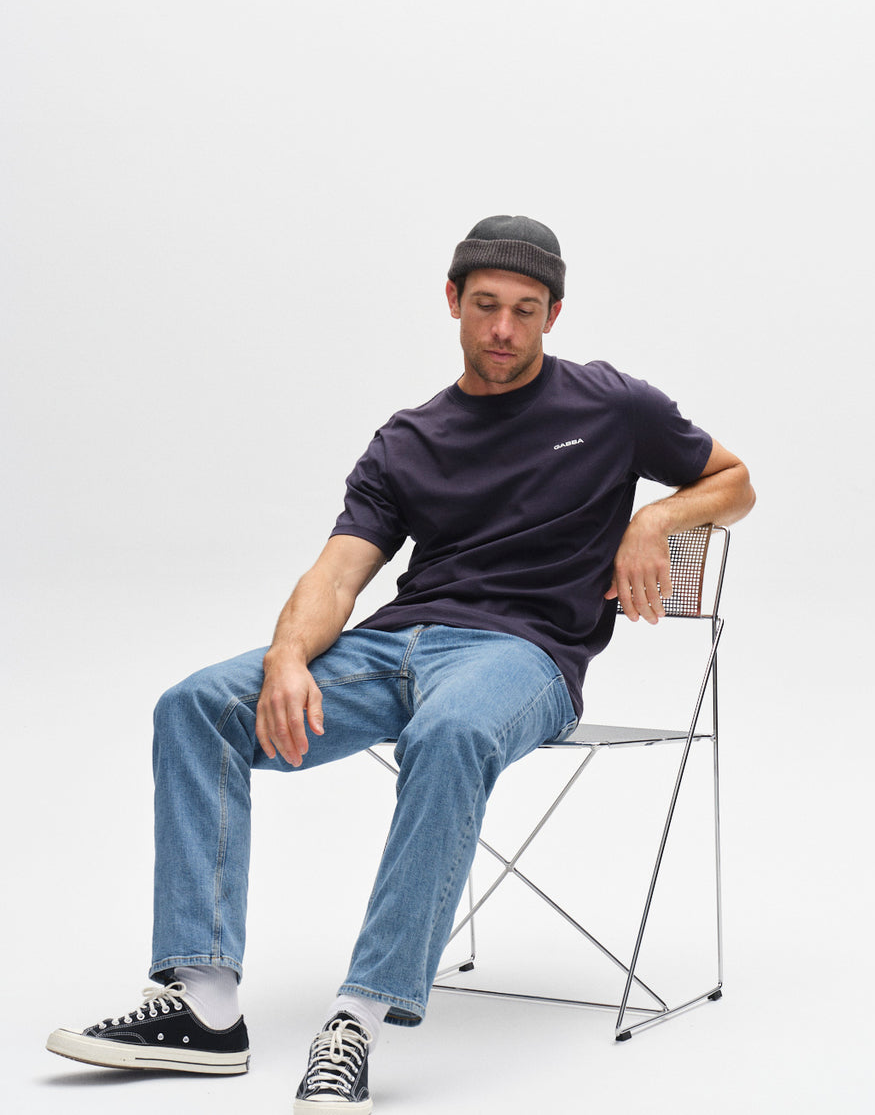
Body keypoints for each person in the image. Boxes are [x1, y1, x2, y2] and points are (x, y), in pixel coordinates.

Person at [46, 216, 755, 1113]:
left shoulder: (612, 405)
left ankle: (358, 1017)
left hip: (525, 655)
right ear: (454, 302)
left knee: (452, 728)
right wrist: (287, 658)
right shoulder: (408, 438)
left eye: (525, 311)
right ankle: (205, 1007)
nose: (503, 329)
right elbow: (340, 570)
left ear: (554, 316)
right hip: (395, 644)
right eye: (487, 305)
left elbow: (735, 480)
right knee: (193, 705)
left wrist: (652, 519)